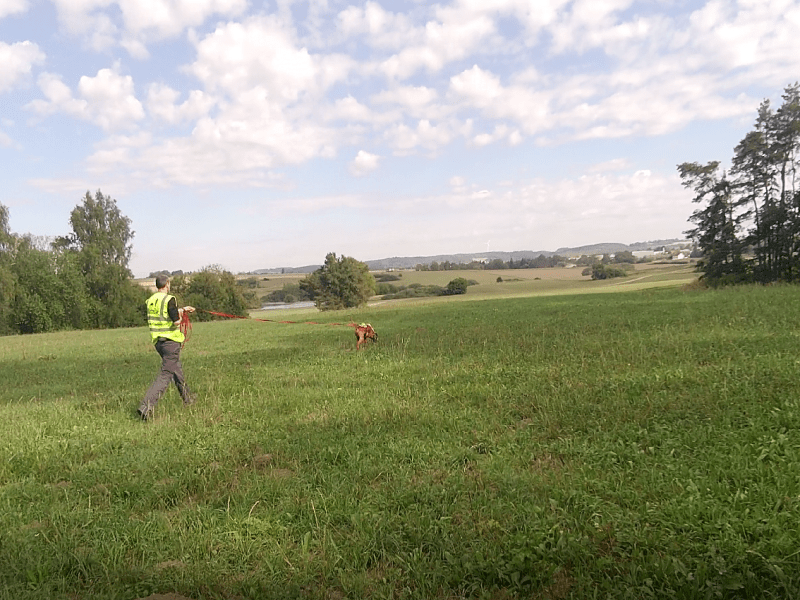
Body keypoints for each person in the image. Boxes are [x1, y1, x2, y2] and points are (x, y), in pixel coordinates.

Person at [138, 274, 196, 421]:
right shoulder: (170, 299)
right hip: (171, 342)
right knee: (166, 374)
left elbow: (163, 314)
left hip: (158, 342)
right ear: (167, 284)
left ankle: (189, 399)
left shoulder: (151, 300)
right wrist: (181, 315)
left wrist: (182, 309)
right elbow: (176, 321)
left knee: (176, 370)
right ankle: (145, 407)